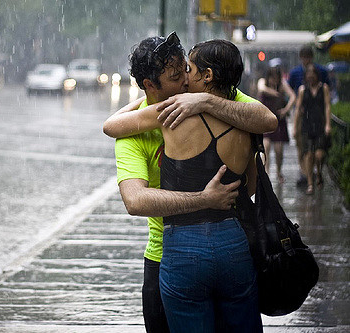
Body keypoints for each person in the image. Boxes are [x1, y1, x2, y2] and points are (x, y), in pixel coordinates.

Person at [104, 33, 276, 332]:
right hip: (174, 253)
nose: (185, 80)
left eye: (187, 69)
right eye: (175, 76)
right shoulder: (137, 131)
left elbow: (266, 119)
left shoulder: (218, 99)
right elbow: (135, 201)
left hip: (184, 252)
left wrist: (206, 101)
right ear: (149, 85)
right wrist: (205, 199)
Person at [288, 45, 330, 187]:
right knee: (303, 146)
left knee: (318, 151)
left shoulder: (321, 71)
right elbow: (290, 89)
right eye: (304, 57)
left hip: (317, 115)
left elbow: (328, 93)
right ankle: (305, 173)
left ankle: (313, 172)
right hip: (302, 114)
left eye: (308, 57)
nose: (305, 60)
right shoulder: (295, 73)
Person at [257, 65, 296, 182]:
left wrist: (286, 110)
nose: (274, 80)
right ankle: (267, 171)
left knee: (279, 149)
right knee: (266, 146)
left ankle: (279, 171)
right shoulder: (263, 81)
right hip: (265, 119)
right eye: (272, 77)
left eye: (276, 77)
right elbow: (261, 88)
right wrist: (275, 93)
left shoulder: (282, 84)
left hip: (279, 119)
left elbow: (293, 96)